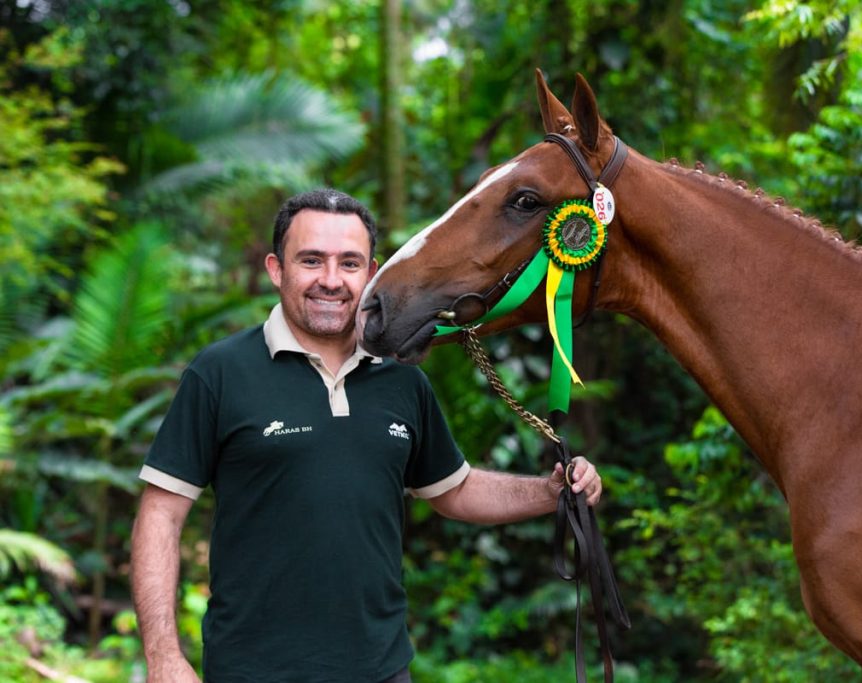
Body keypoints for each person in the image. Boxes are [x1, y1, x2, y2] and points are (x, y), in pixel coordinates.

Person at [129, 188, 603, 683]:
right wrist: (164, 658)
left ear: (372, 271)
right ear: (277, 269)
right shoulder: (220, 373)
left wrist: (549, 492)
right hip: (252, 670)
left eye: (349, 264)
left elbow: (455, 491)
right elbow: (160, 515)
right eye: (311, 260)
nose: (330, 281)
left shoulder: (402, 380)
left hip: (381, 670)